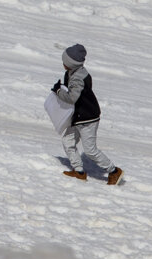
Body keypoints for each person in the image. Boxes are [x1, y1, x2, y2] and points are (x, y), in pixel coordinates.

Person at [44, 44, 122, 184]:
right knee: (68, 141)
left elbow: (72, 98)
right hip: (77, 116)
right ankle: (79, 171)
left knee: (90, 150)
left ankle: (114, 171)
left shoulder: (78, 78)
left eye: (65, 61)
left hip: (88, 118)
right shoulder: (72, 73)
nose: (63, 63)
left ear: (71, 64)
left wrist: (58, 91)